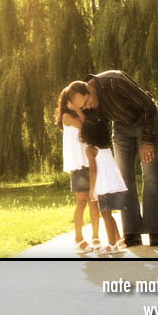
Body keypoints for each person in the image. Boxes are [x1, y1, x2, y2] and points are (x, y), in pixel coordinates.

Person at [63, 71, 158, 247]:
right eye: (84, 106)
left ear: (90, 89)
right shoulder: (89, 102)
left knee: (151, 175)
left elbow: (150, 107)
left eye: (87, 102)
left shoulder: (114, 82)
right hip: (120, 128)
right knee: (124, 178)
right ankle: (131, 232)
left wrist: (148, 141)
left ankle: (154, 230)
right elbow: (89, 125)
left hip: (144, 123)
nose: (88, 107)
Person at [55, 87, 101, 254]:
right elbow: (84, 127)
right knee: (81, 201)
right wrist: (76, 110)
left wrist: (80, 111)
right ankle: (78, 238)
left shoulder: (82, 113)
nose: (83, 99)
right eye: (80, 97)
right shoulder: (67, 117)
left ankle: (96, 236)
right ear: (71, 100)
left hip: (89, 162)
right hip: (78, 164)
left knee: (93, 200)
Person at [80, 109, 128, 254]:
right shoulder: (105, 147)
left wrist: (91, 189)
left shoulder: (90, 149)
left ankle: (112, 245)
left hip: (103, 185)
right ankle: (119, 240)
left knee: (106, 215)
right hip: (113, 183)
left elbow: (93, 170)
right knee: (109, 215)